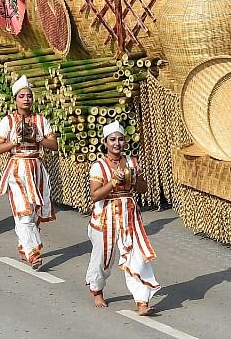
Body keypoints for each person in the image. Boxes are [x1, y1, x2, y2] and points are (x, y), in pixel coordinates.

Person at [86, 121, 159, 316]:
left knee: (138, 257)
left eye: (120, 139)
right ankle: (97, 289)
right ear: (105, 143)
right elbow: (95, 195)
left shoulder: (132, 162)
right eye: (112, 140)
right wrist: (113, 182)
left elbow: (143, 189)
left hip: (129, 216)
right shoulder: (98, 166)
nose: (117, 143)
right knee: (104, 258)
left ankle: (142, 301)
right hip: (106, 218)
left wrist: (134, 179)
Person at [0, 75, 58, 269]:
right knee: (24, 211)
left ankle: (24, 245)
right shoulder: (8, 121)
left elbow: (54, 145)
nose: (26, 99)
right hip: (17, 170)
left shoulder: (40, 120)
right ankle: (33, 253)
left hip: (36, 168)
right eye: (22, 96)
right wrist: (14, 142)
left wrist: (37, 138)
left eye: (29, 96)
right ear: (15, 99)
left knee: (34, 213)